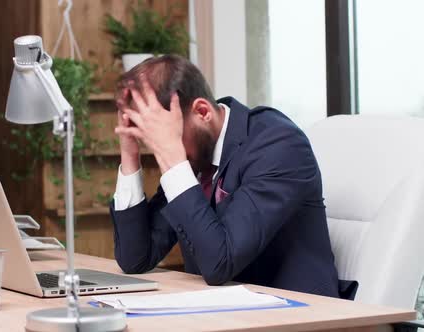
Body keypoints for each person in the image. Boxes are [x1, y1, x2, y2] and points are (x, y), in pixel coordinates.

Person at [109, 55, 355, 299]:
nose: (159, 149)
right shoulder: (194, 156)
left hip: (301, 314)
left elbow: (219, 263)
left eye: (163, 138)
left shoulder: (278, 145)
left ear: (202, 111)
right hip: (223, 313)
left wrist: (173, 156)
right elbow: (136, 258)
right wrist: (129, 152)